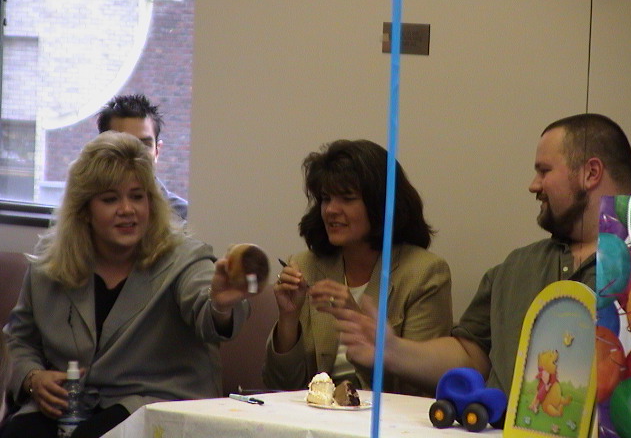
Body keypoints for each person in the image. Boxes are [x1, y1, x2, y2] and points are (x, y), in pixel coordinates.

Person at [328, 113, 631, 402]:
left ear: (591, 173)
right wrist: (394, 351)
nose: (533, 185)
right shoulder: (516, 268)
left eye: (544, 171)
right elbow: (470, 356)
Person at [1, 132, 255, 438]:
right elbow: (19, 339)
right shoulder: (50, 261)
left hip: (153, 403)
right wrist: (33, 378)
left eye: (137, 196)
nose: (127, 209)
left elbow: (206, 311)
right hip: (69, 404)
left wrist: (220, 305)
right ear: (84, 210)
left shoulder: (185, 257)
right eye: (110, 199)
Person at [262, 139, 453, 396]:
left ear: (381, 205)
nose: (331, 210)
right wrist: (288, 317)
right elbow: (279, 386)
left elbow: (416, 390)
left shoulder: (425, 273)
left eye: (347, 198)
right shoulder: (305, 265)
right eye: (326, 199)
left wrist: (356, 320)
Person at [96, 93, 188, 220]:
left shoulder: (187, 219)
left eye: (144, 145)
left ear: (157, 151)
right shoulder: (85, 211)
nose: (135, 153)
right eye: (123, 144)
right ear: (102, 150)